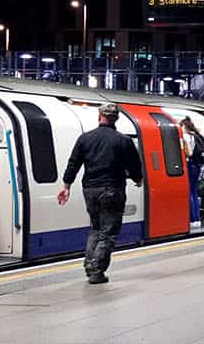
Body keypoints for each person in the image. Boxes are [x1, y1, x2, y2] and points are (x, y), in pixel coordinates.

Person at [58, 102, 142, 284]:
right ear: (116, 119)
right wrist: (138, 179)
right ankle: (96, 271)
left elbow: (73, 163)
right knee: (108, 232)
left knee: (95, 228)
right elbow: (134, 166)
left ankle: (90, 266)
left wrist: (66, 186)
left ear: (99, 117)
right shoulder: (123, 140)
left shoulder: (85, 139)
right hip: (112, 190)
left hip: (89, 190)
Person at [179, 117, 204, 225]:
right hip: (198, 166)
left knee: (189, 192)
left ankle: (192, 219)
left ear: (184, 126)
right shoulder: (196, 136)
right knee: (194, 192)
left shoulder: (185, 137)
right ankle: (196, 219)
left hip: (189, 165)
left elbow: (189, 153)